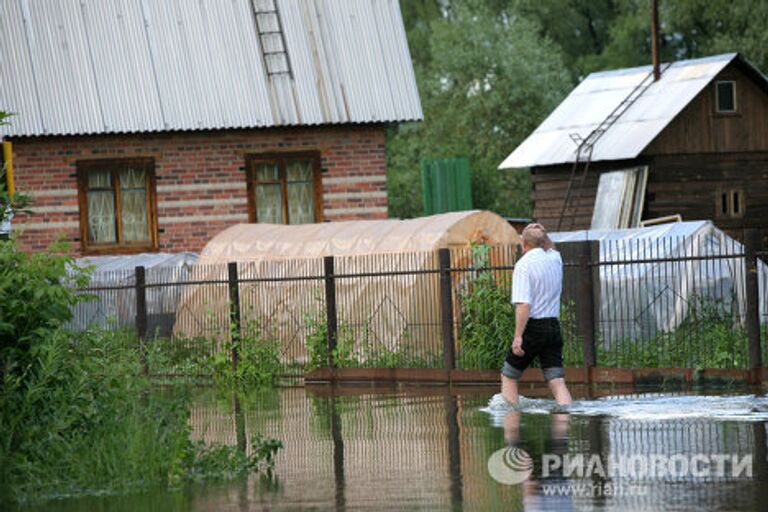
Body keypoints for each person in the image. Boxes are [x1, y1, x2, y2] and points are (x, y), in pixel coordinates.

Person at [500, 223, 572, 406]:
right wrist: (544, 234)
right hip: (553, 327)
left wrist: (518, 336)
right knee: (556, 380)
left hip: (533, 327)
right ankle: (567, 417)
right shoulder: (555, 258)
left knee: (509, 375)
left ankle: (512, 425)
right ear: (542, 242)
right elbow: (551, 247)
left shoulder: (523, 265)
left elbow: (524, 304)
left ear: (523, 243)